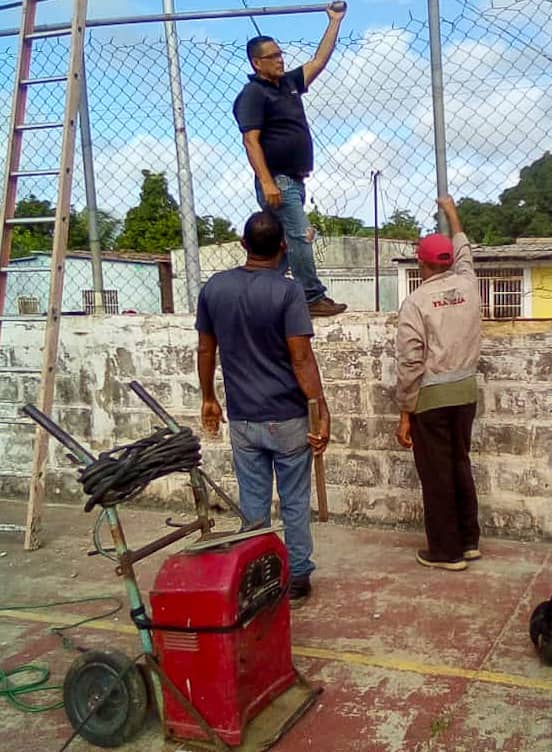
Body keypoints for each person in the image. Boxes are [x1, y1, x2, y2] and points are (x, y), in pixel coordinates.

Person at [196, 209, 331, 608]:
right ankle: (298, 577)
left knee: (253, 503)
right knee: (293, 500)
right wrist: (320, 408)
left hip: (243, 418)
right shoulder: (288, 292)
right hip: (288, 417)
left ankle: (255, 573)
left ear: (243, 245)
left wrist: (208, 397)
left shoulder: (215, 288)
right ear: (284, 247)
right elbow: (301, 357)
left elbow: (206, 348)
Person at [233, 3, 347, 317]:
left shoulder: (287, 85)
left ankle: (256, 293)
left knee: (281, 248)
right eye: (273, 56)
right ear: (257, 62)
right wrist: (268, 182)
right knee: (299, 236)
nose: (281, 59)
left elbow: (319, 60)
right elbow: (250, 141)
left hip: (294, 180)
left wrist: (334, 22)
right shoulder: (253, 94)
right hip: (278, 179)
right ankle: (311, 297)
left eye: (281, 54)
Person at [394, 195, 482, 571]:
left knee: (436, 473)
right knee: (460, 463)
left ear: (421, 263)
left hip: (431, 395)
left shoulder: (416, 302)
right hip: (465, 392)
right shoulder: (469, 283)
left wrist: (405, 412)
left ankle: (446, 551)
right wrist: (451, 212)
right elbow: (463, 246)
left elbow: (411, 361)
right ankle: (469, 540)